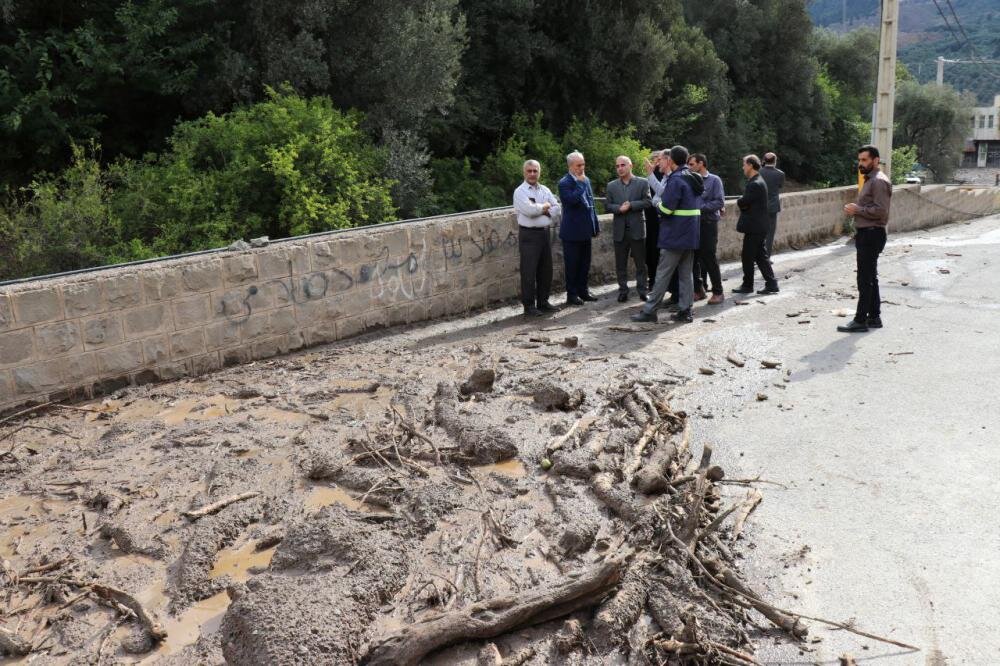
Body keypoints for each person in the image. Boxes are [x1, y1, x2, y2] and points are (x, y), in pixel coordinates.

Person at [631, 145, 703, 324]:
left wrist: (656, 203)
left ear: (670, 161)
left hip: (674, 236)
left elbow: (666, 209)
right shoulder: (692, 177)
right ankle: (686, 311)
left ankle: (649, 311)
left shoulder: (676, 180)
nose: (660, 162)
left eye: (663, 159)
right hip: (690, 235)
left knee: (663, 274)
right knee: (686, 275)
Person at [838, 144, 891, 333]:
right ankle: (874, 317)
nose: (861, 163)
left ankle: (860, 320)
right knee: (870, 277)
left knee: (864, 279)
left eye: (865, 160)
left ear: (875, 161)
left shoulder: (878, 181)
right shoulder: (870, 179)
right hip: (868, 233)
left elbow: (881, 211)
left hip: (871, 234)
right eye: (859, 160)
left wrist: (857, 210)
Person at [513, 159, 562, 316]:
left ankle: (543, 302)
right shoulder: (520, 191)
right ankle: (529, 306)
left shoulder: (545, 190)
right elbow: (529, 211)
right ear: (524, 172)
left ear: (539, 172)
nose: (532, 174)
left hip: (544, 233)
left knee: (545, 270)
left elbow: (558, 210)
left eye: (535, 171)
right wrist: (546, 207)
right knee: (529, 271)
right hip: (528, 234)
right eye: (529, 171)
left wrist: (542, 209)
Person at [605, 156, 652, 302]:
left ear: (630, 165)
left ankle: (642, 291)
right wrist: (619, 208)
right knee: (620, 263)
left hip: (637, 228)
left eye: (623, 165)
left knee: (640, 263)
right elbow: (607, 205)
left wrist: (631, 205)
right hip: (620, 230)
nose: (620, 168)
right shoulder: (611, 186)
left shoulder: (643, 182)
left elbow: (648, 201)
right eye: (617, 166)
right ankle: (623, 291)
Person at [558, 151, 600, 305]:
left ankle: (583, 291)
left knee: (584, 264)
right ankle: (572, 295)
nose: (582, 168)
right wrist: (581, 184)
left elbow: (591, 204)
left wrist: (595, 226)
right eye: (578, 165)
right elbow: (571, 201)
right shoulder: (564, 183)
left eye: (583, 164)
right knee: (572, 265)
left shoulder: (585, 180)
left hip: (585, 231)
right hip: (571, 232)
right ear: (570, 166)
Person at [733, 154, 779, 295]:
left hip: (755, 227)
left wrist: (741, 201)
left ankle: (748, 285)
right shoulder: (757, 181)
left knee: (747, 256)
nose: (743, 167)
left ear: (751, 165)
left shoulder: (755, 184)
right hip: (759, 226)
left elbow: (743, 202)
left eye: (744, 164)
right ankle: (772, 284)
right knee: (760, 256)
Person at [687, 153, 725, 304]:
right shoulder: (689, 180)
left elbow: (719, 202)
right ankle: (698, 289)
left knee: (709, 258)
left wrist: (699, 208)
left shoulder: (714, 180)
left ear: (701, 164)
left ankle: (718, 292)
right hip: (693, 224)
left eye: (691, 164)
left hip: (708, 224)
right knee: (692, 258)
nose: (689, 167)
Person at [643, 150, 666, 292]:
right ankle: (652, 280)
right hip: (651, 220)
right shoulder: (646, 179)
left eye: (659, 159)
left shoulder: (666, 177)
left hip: (663, 219)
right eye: (654, 159)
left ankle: (662, 282)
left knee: (663, 253)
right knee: (651, 251)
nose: (656, 162)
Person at [760, 152, 785, 259]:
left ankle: (758, 256)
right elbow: (780, 186)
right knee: (770, 234)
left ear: (764, 160)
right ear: (775, 161)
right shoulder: (780, 174)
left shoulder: (758, 172)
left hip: (759, 206)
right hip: (773, 207)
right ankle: (766, 257)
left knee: (759, 232)